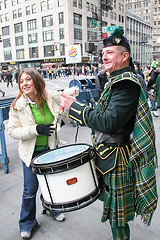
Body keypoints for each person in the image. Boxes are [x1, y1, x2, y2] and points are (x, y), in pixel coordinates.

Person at [60, 27, 158, 240]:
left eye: (110, 52)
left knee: (118, 216)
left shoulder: (126, 83)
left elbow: (108, 122)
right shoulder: (115, 80)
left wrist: (74, 107)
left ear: (125, 56)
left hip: (117, 159)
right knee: (115, 212)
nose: (104, 56)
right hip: (108, 156)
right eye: (103, 53)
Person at [7, 68, 78, 239]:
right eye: (21, 81)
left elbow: (64, 98)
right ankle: (27, 223)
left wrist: (74, 91)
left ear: (37, 81)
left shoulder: (48, 97)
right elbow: (12, 131)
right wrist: (35, 130)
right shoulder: (18, 105)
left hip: (50, 150)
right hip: (30, 154)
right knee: (30, 190)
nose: (24, 83)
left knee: (51, 184)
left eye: (28, 80)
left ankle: (52, 210)